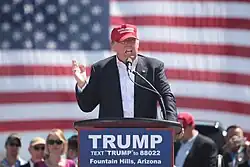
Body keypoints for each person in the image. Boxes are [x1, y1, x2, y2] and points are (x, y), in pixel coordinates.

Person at [72, 23, 177, 121]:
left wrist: (171, 123)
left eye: (132, 41)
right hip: (113, 134)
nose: (129, 45)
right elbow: (87, 106)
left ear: (138, 43)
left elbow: (166, 96)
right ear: (113, 46)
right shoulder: (101, 69)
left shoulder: (153, 67)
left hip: (145, 135)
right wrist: (82, 84)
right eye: (124, 42)